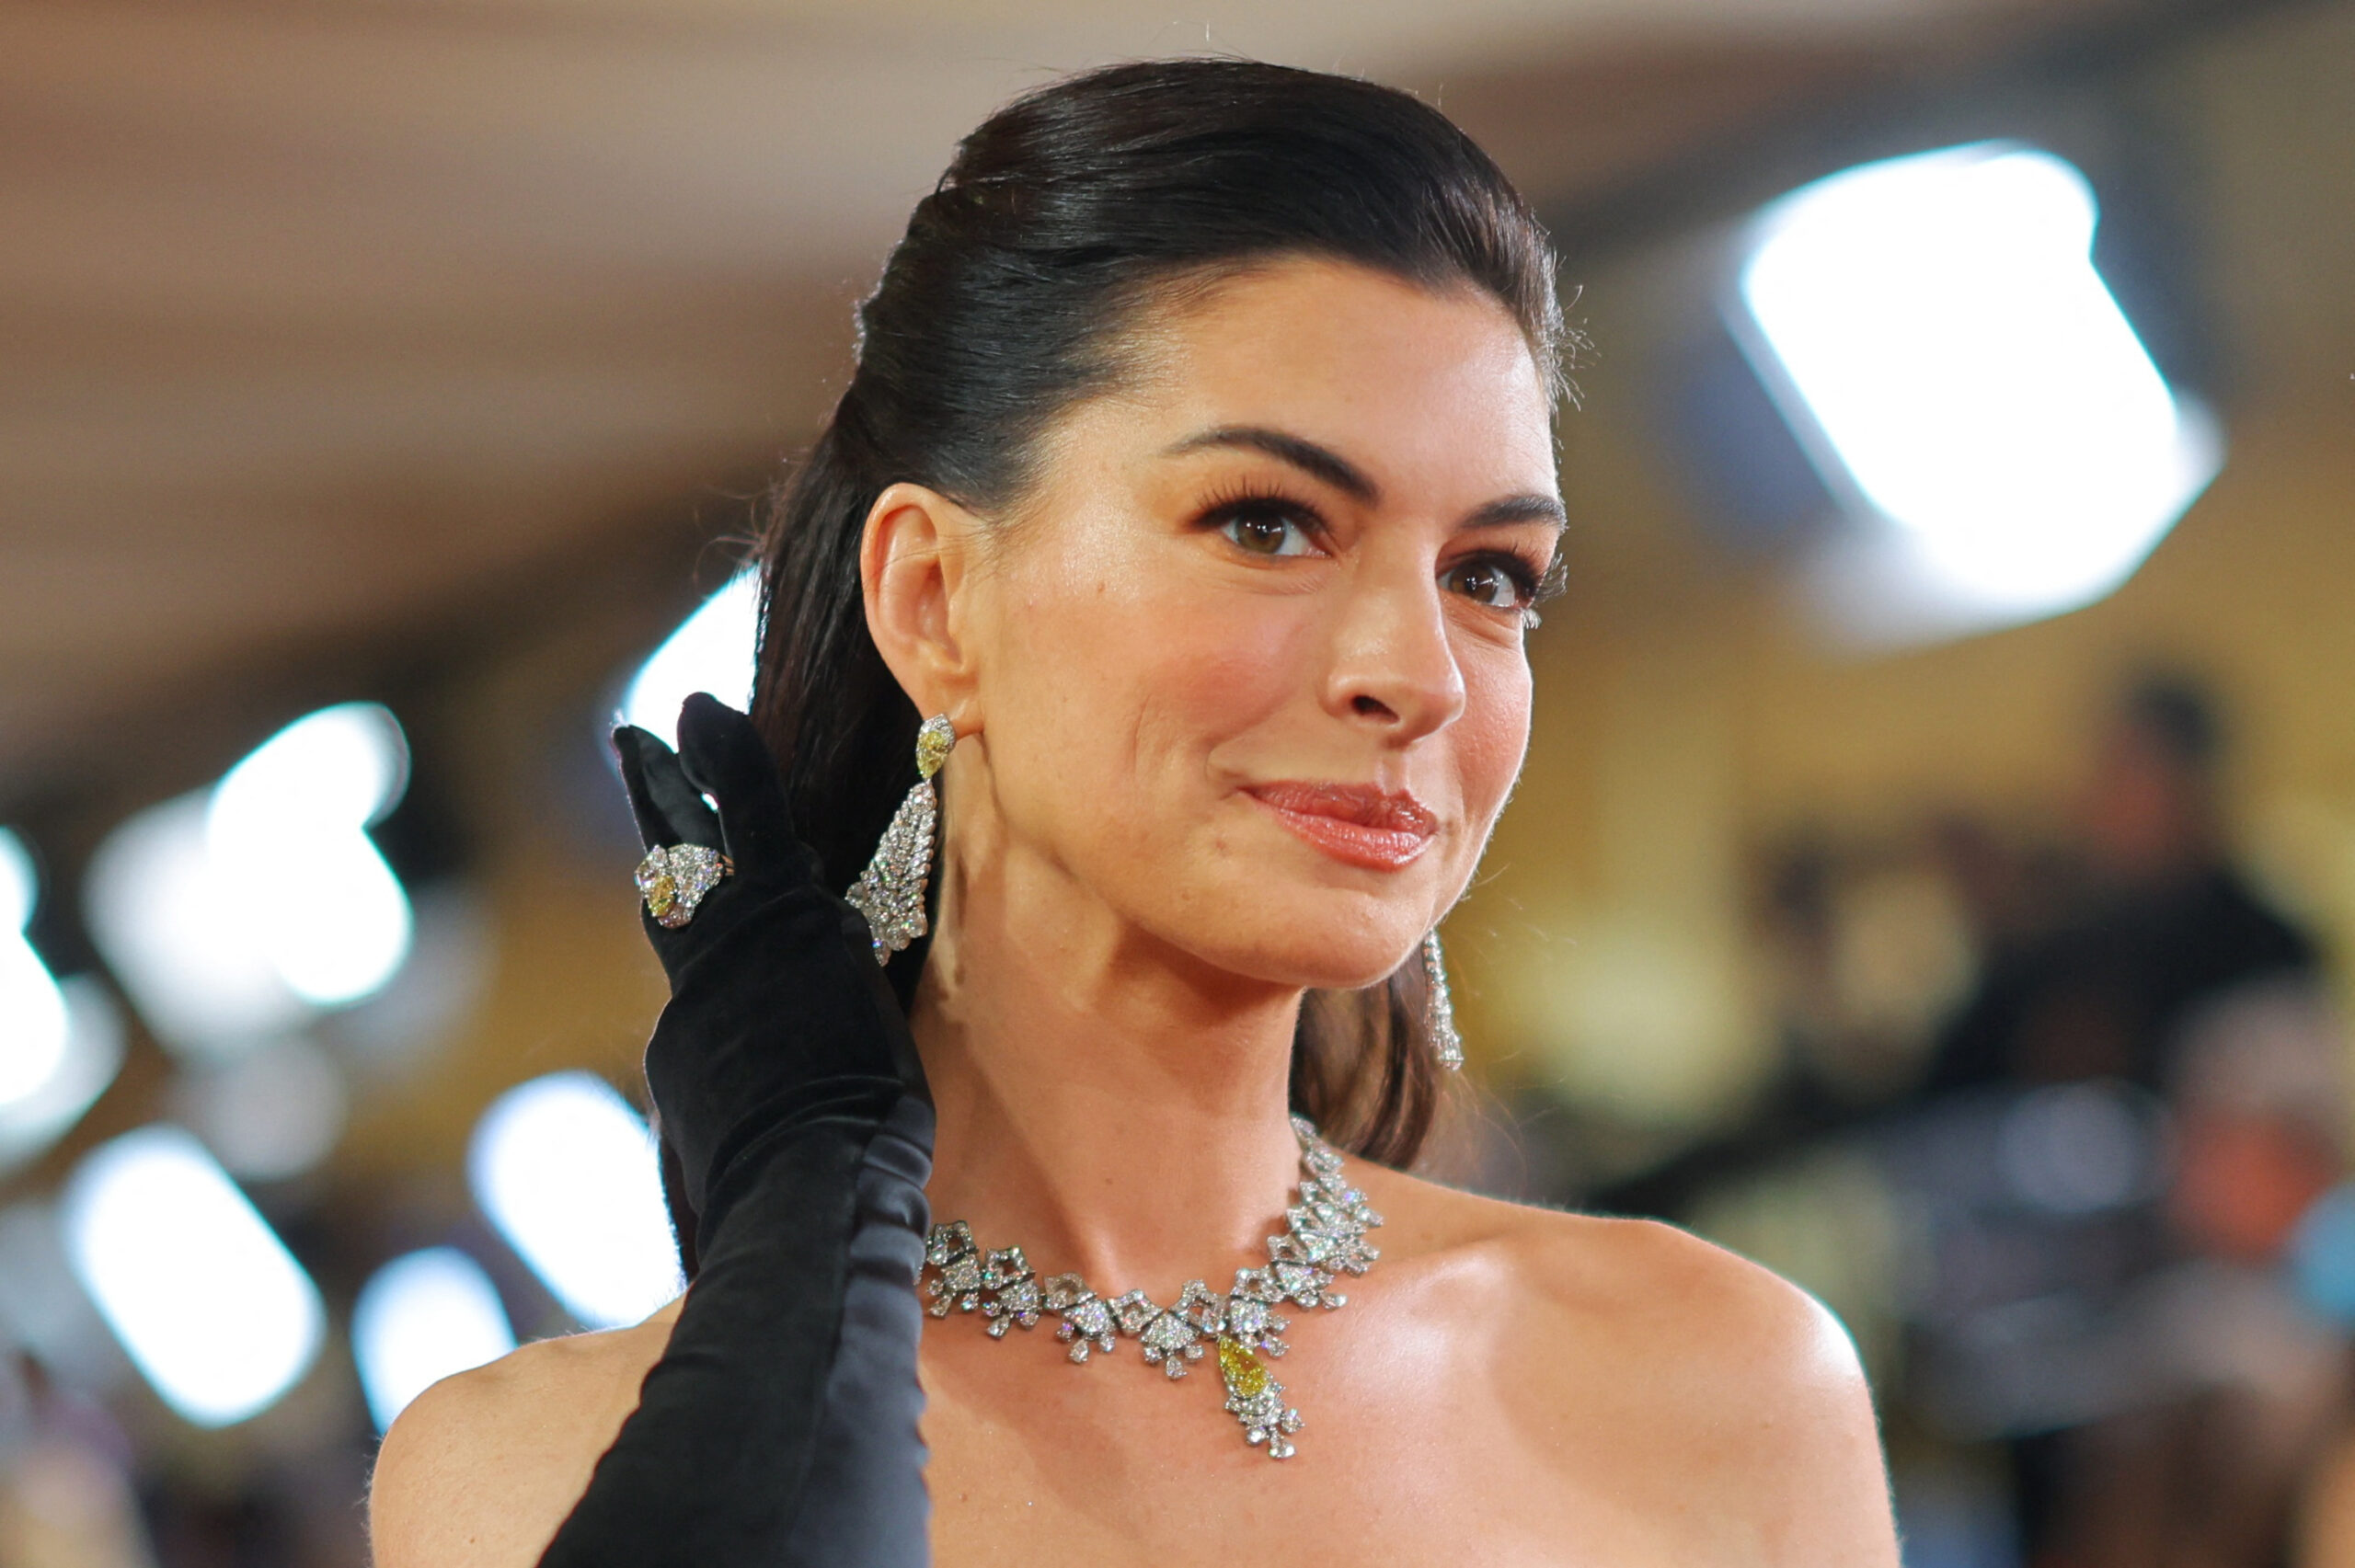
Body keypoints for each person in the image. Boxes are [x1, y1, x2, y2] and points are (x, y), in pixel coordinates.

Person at [366, 60, 1896, 1565]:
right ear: (935, 600)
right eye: (1268, 523)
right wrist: (807, 1260)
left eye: (1489, 574)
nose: (1419, 674)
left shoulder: (1723, 1383)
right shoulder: (525, 1473)